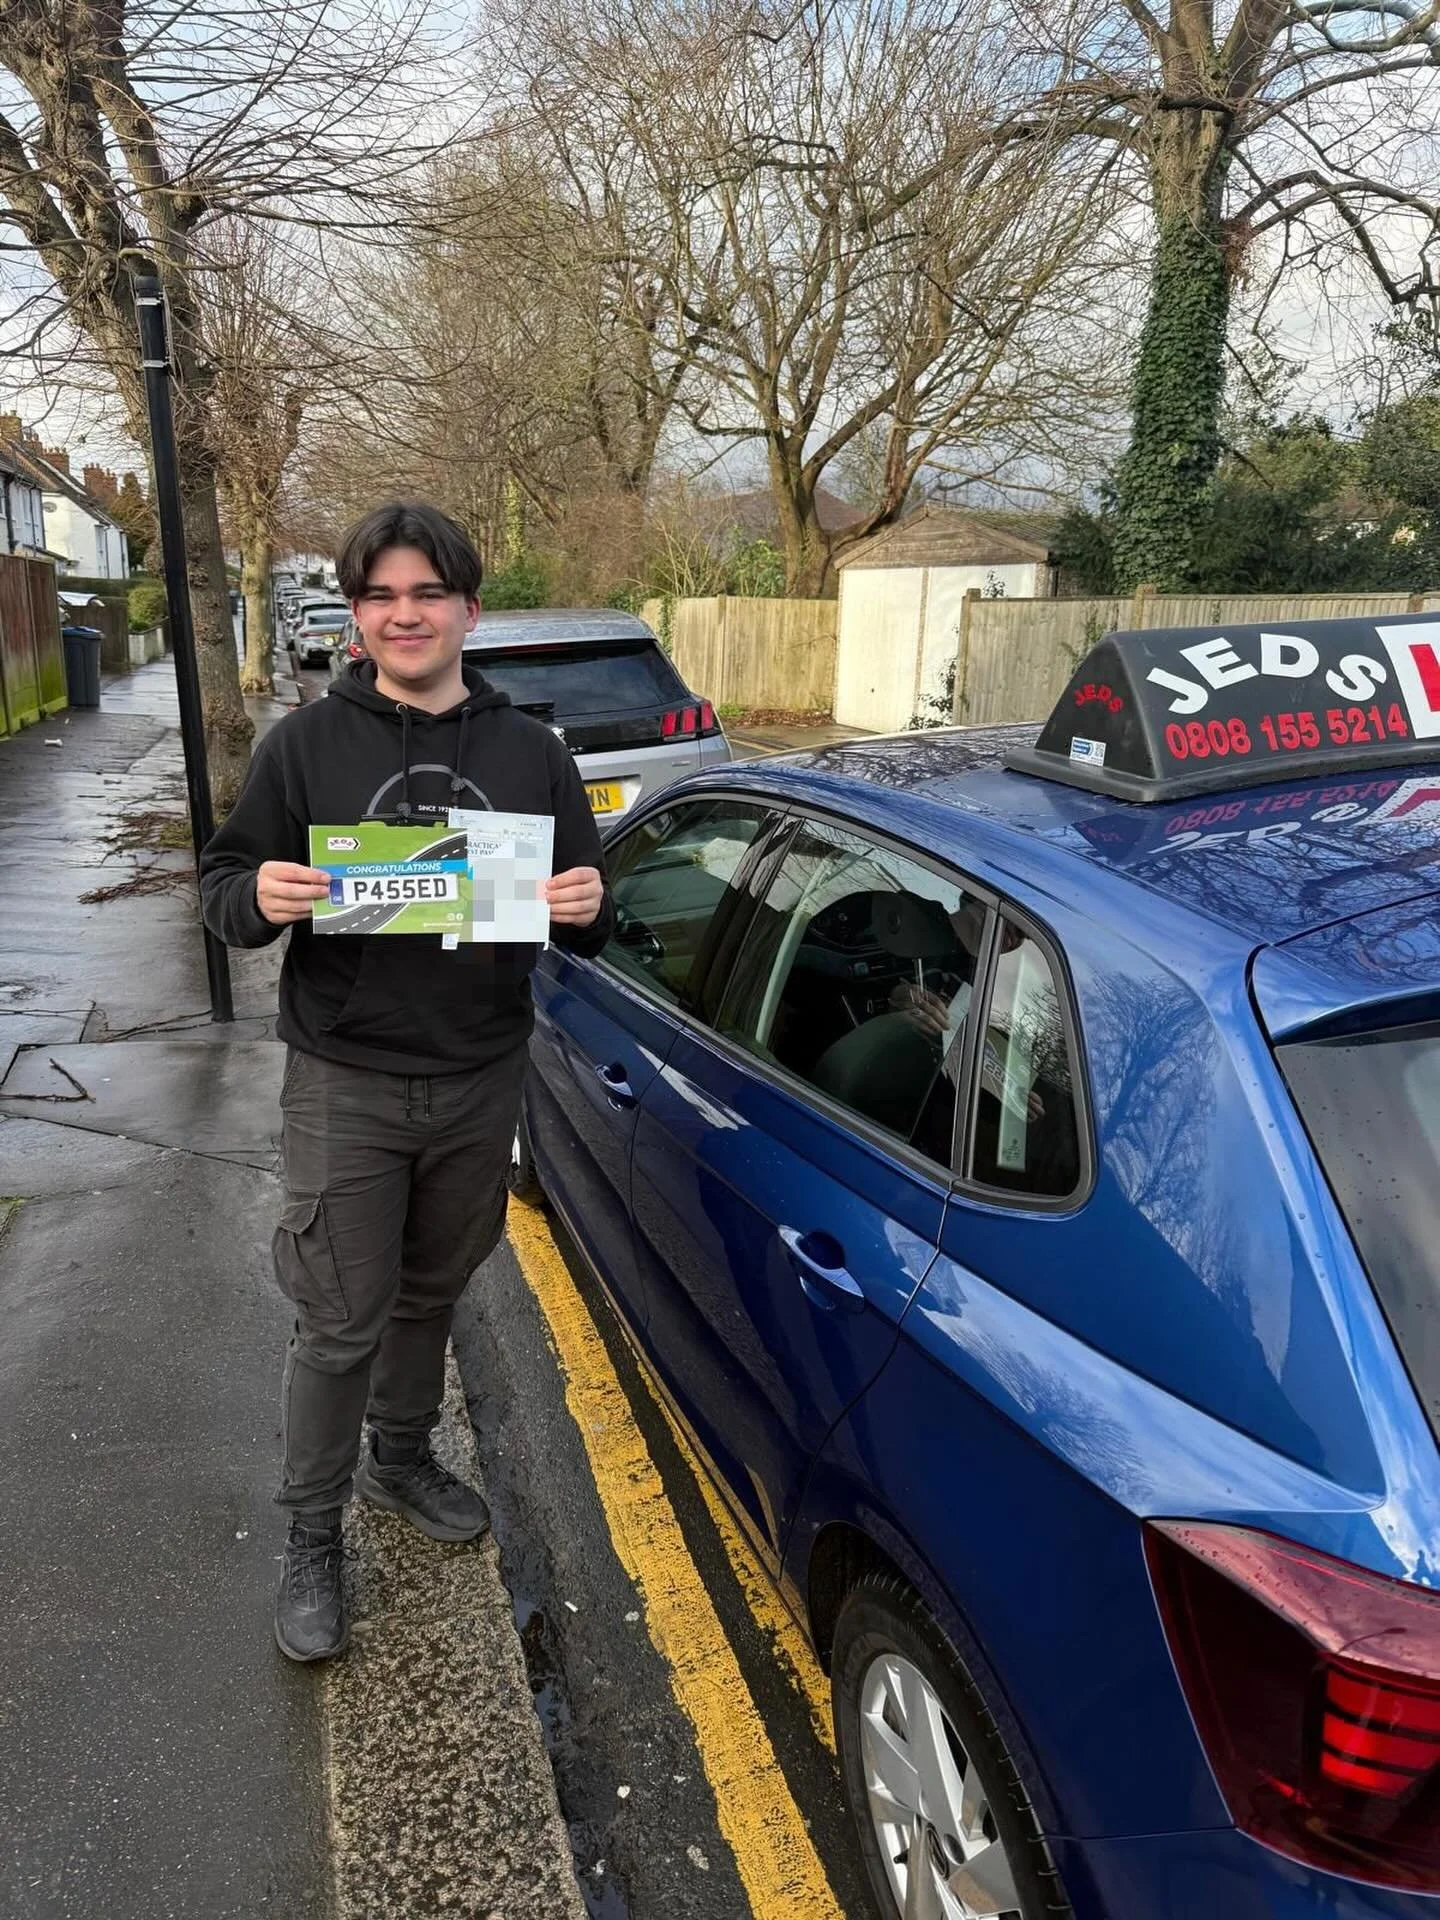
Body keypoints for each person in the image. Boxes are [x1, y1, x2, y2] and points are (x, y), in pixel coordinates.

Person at [200, 501, 612, 1662]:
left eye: (426, 593)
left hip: (481, 1072)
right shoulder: (303, 747)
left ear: (468, 610)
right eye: (380, 595)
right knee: (340, 1317)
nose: (403, 613)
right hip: (348, 1079)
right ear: (359, 615)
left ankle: (400, 1458)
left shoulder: (532, 752)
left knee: (433, 1291)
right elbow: (224, 888)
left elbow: (585, 907)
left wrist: (587, 903)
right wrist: (258, 900)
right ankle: (311, 1533)